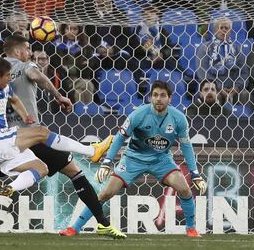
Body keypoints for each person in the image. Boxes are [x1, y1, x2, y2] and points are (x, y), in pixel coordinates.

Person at [0, 36, 126, 239]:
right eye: (27, 48)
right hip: (27, 138)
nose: (30, 52)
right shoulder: (25, 65)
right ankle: (102, 218)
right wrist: (58, 96)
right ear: (17, 52)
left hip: (4, 141)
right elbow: (37, 76)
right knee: (75, 172)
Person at [59, 81, 207, 238]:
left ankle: (191, 229)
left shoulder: (179, 119)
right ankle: (74, 228)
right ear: (150, 97)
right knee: (105, 193)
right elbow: (119, 138)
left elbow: (186, 146)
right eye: (155, 95)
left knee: (184, 189)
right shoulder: (138, 114)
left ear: (170, 99)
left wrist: (195, 173)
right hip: (133, 159)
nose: (158, 99)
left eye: (163, 95)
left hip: (161, 160)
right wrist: (107, 162)